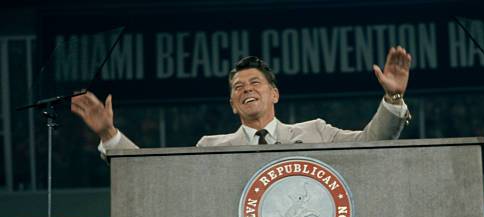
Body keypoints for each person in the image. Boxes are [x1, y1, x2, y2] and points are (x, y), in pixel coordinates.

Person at [71, 46, 412, 155]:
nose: (246, 89)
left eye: (255, 83)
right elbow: (153, 179)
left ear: (274, 94)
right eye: (238, 87)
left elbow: (373, 143)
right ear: (233, 104)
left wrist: (393, 96)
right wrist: (108, 134)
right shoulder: (210, 147)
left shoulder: (317, 132)